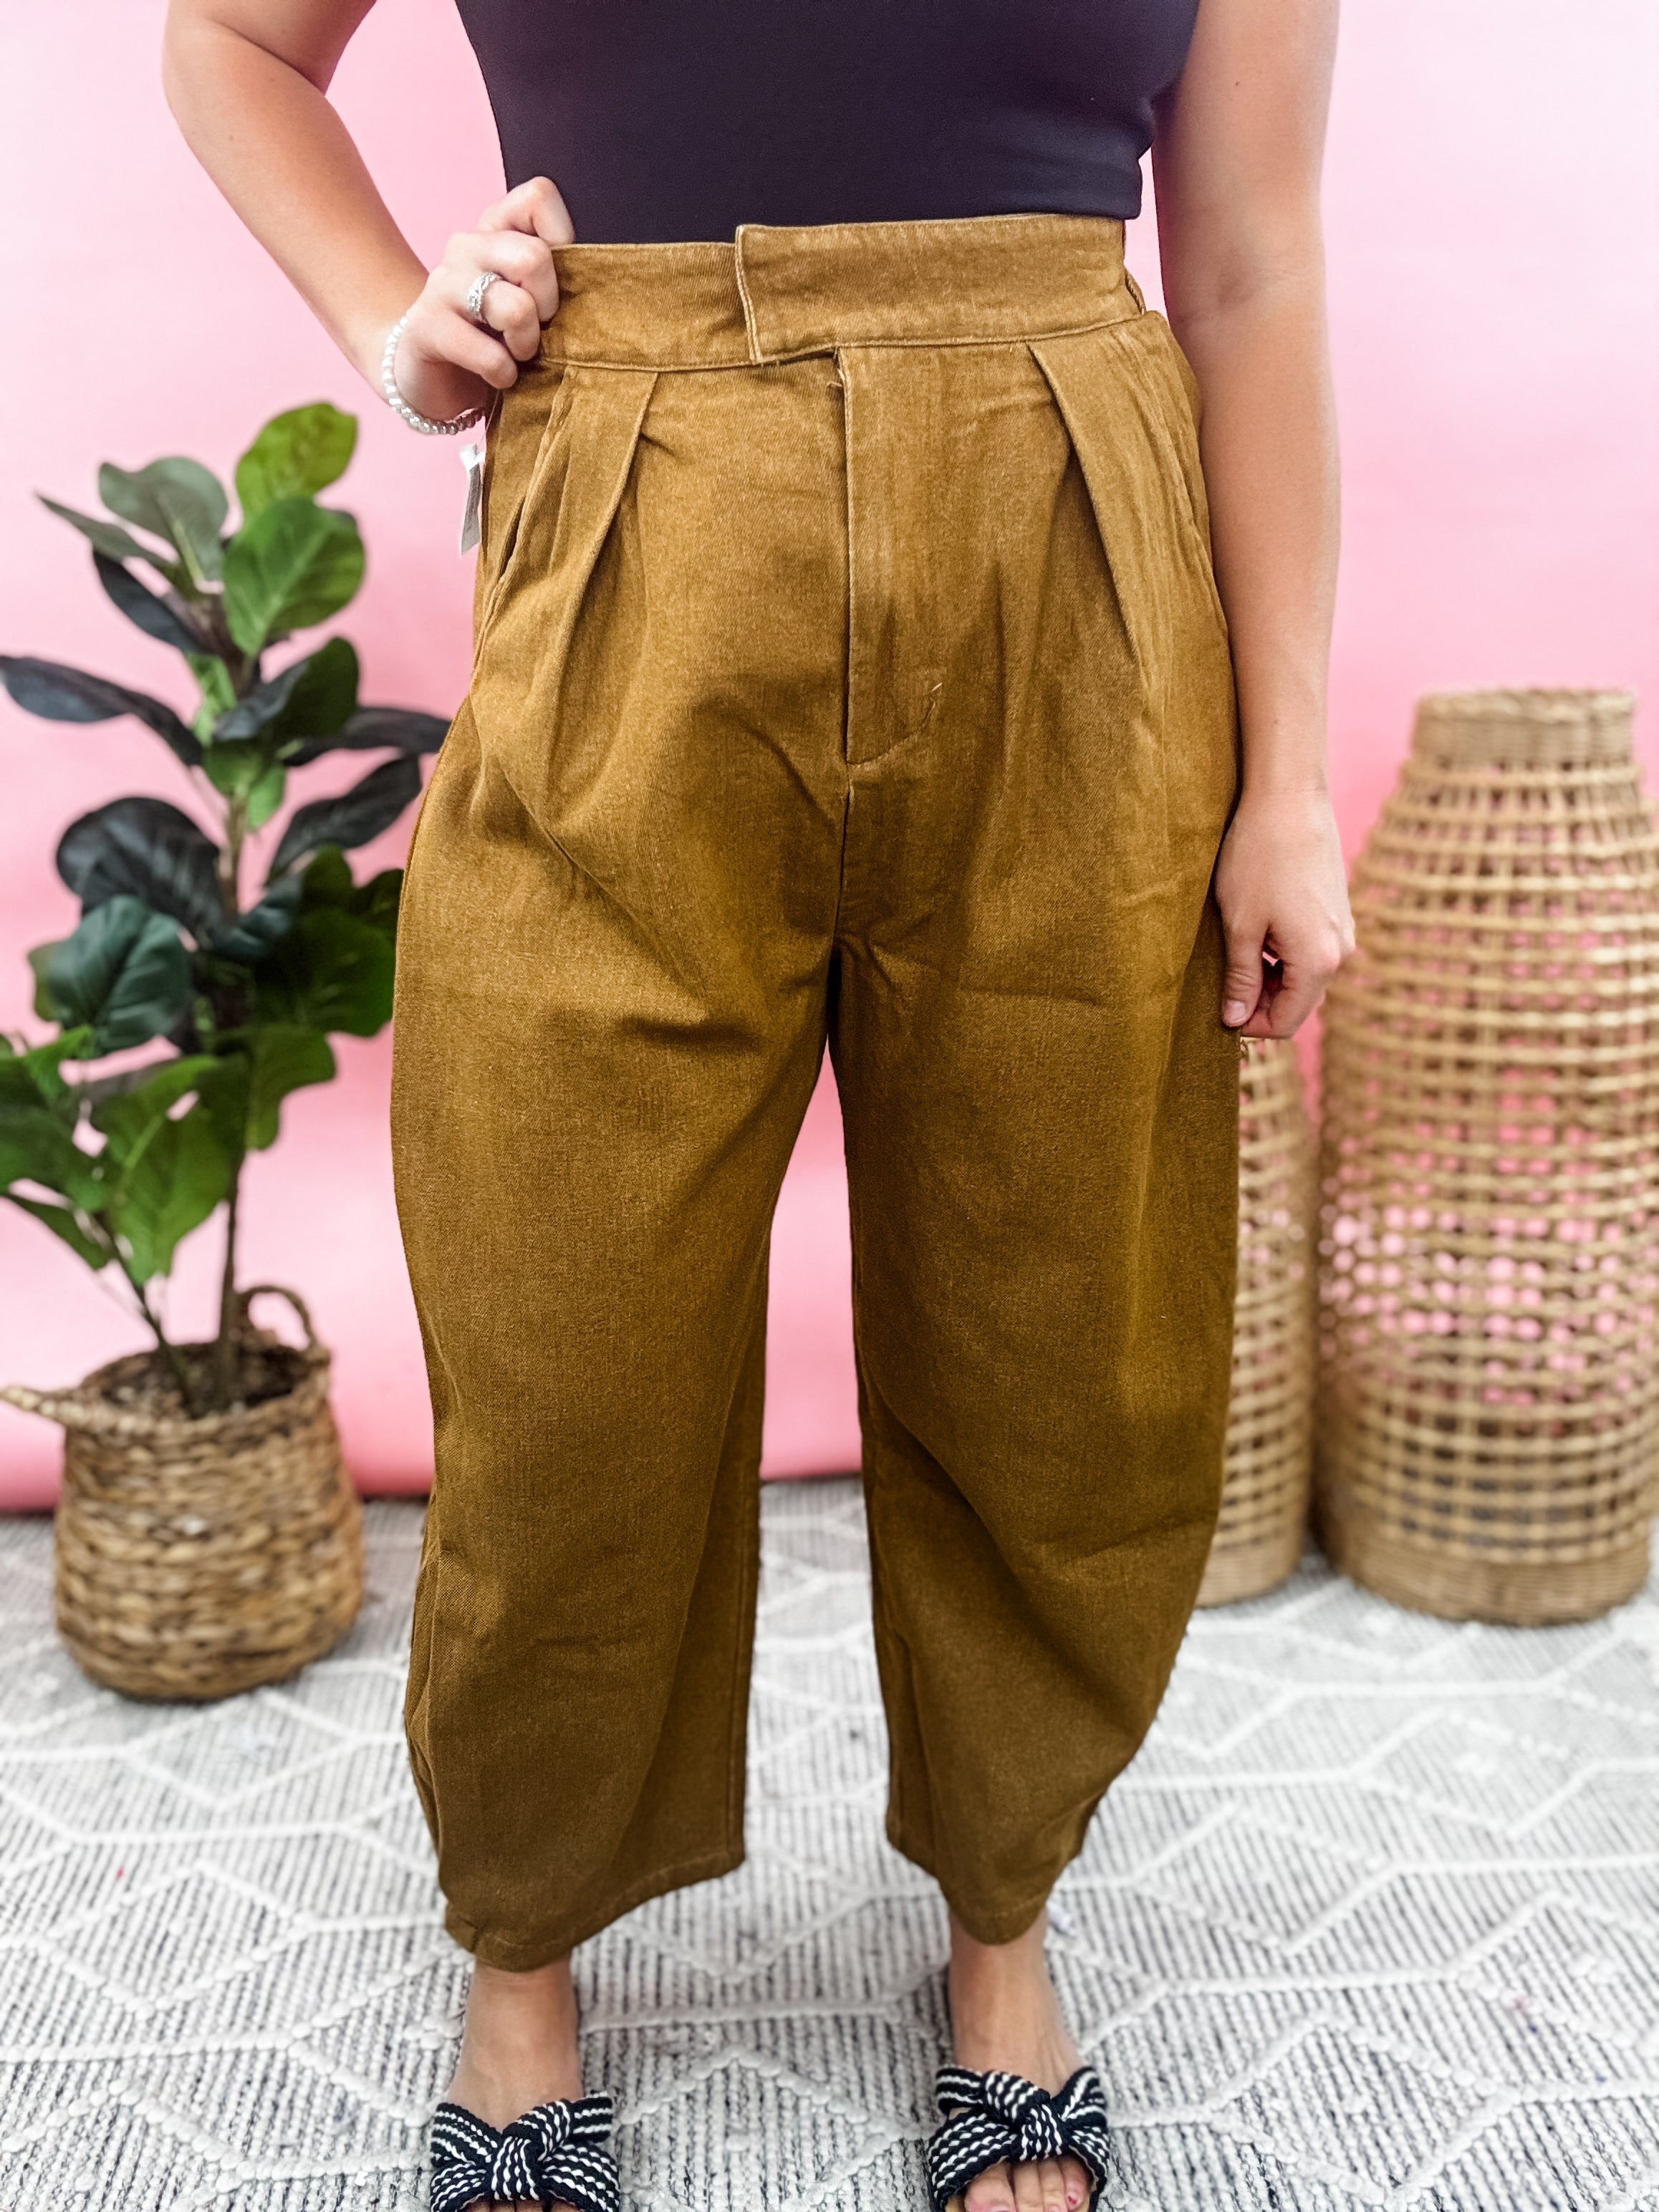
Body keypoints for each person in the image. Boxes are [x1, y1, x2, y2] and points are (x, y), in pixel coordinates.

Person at [163, 2, 1352, 2207]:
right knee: (560, 1336)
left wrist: (1284, 780)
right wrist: (389, 318)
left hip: (1067, 556)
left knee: (1053, 1326)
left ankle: (1002, 1931)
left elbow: (1251, 266)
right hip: (634, 517)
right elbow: (234, 38)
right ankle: (520, 1966)